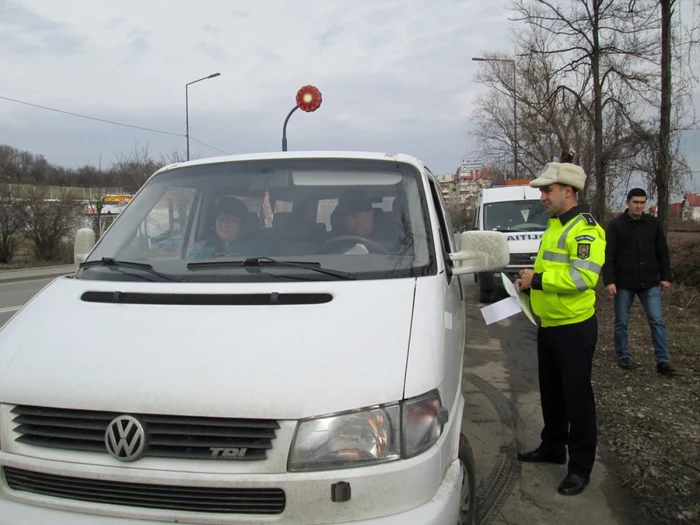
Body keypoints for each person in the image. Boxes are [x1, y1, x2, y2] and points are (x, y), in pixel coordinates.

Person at [515, 158, 606, 496]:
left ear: (568, 192)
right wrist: (527, 284)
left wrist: (537, 279)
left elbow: (584, 277)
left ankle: (580, 467)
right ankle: (553, 447)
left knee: (577, 399)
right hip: (550, 325)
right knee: (553, 394)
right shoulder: (555, 225)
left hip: (574, 328)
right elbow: (554, 272)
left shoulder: (585, 230)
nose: (542, 197)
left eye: (547, 191)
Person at [602, 188, 674, 375]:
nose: (639, 206)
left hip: (649, 281)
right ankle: (623, 355)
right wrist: (609, 281)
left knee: (657, 321)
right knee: (621, 322)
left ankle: (663, 361)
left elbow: (662, 252)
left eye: (642, 203)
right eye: (635, 202)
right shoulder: (616, 225)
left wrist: (666, 277)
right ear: (628, 203)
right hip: (624, 281)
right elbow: (608, 255)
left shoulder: (653, 224)